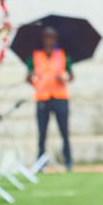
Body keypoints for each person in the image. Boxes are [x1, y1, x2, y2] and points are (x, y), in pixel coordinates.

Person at [30, 25, 72, 171]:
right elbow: (29, 75)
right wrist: (33, 79)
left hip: (60, 97)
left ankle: (68, 161)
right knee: (42, 133)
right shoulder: (35, 56)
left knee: (64, 132)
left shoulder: (62, 55)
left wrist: (65, 77)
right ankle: (41, 163)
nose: (49, 41)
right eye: (47, 38)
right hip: (42, 98)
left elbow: (70, 75)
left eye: (52, 38)